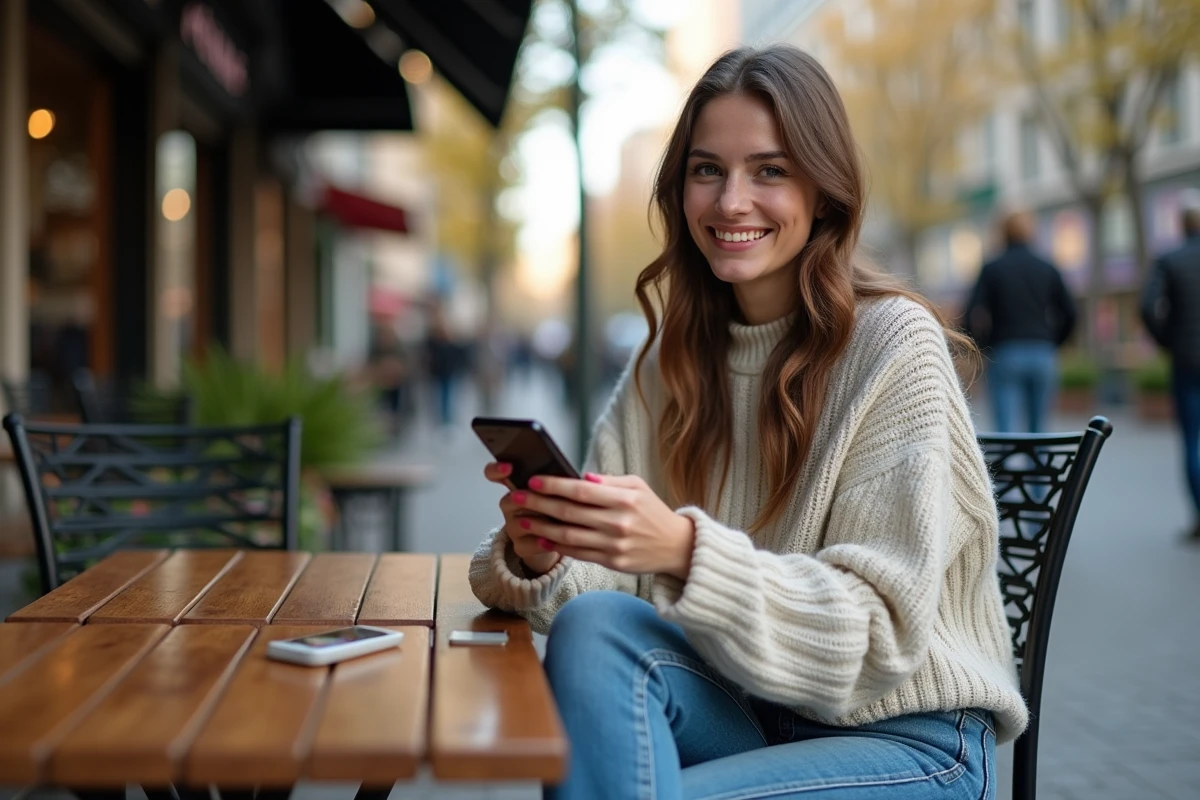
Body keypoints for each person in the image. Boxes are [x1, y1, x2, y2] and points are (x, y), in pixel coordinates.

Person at [469, 45, 1025, 800]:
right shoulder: (669, 362)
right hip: (751, 710)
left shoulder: (895, 345)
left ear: (823, 191)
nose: (732, 201)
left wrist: (680, 549)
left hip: (908, 738)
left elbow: (879, 638)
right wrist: (546, 555)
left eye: (769, 170)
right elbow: (614, 587)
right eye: (707, 170)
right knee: (596, 626)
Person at [963, 210, 1077, 433]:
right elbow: (1071, 313)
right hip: (1043, 352)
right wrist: (1053, 341)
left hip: (1005, 353)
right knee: (1039, 432)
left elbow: (971, 313)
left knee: (1006, 432)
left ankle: (1007, 469)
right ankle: (1038, 468)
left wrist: (984, 345)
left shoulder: (992, 268)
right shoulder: (1047, 267)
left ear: (1003, 233)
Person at [1140, 193, 1200, 542]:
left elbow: (1148, 307)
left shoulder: (1170, 260)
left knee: (1191, 440)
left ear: (1181, 224)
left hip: (1187, 361)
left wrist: (1167, 340)